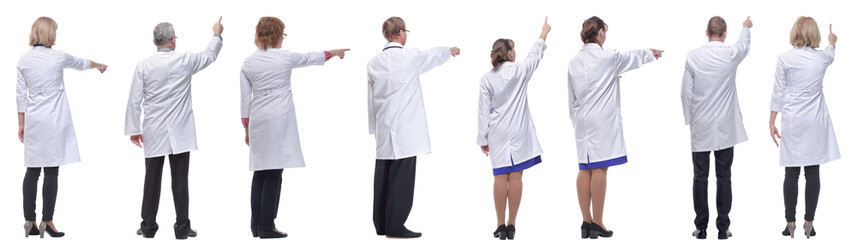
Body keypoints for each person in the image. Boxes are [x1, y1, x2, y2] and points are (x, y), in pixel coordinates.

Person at [239, 16, 349, 239]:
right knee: (274, 172)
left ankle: (256, 225)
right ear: (276, 35)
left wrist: (246, 127)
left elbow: (244, 100)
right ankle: (267, 226)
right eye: (282, 34)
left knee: (260, 172)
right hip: (278, 117)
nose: (283, 38)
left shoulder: (248, 63)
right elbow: (311, 57)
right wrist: (335, 52)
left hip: (258, 118)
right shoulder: (284, 58)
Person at [124, 17, 224, 239]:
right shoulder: (185, 61)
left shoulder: (143, 66)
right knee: (180, 181)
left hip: (154, 131)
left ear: (154, 41)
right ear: (172, 40)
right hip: (180, 131)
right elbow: (210, 55)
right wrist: (216, 34)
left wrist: (133, 128)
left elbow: (134, 100)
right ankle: (182, 227)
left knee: (151, 180)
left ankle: (148, 227)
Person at [567, 16, 662, 239]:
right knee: (600, 168)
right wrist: (651, 52)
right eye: (605, 32)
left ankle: (585, 222)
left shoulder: (573, 61)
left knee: (584, 168)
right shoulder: (609, 57)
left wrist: (575, 121)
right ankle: (597, 222)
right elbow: (633, 57)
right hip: (602, 121)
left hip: (582, 121)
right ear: (600, 33)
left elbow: (570, 96)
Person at [367, 16, 460, 239]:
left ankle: (382, 225)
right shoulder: (409, 57)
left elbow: (370, 98)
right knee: (401, 180)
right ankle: (396, 227)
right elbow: (433, 55)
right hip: (406, 130)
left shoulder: (373, 62)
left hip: (384, 127)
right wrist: (451, 50)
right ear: (400, 33)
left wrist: (374, 129)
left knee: (383, 176)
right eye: (405, 31)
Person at [16, 16, 107, 239]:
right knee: (52, 171)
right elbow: (82, 63)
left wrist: (21, 124)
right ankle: (48, 220)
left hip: (35, 122)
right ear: (50, 34)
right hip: (54, 121)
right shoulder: (58, 57)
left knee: (32, 170)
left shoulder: (23, 60)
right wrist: (99, 65)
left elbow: (20, 96)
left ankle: (29, 221)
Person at [477, 17, 550, 240]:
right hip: (519, 131)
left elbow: (483, 112)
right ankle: (511, 225)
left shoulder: (486, 79)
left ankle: (500, 225)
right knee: (516, 176)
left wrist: (483, 138)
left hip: (497, 131)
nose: (515, 53)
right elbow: (535, 56)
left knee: (500, 177)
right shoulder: (520, 71)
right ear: (508, 53)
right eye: (513, 49)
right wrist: (543, 33)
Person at [681, 16, 753, 240]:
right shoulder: (731, 54)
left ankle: (701, 228)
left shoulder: (693, 56)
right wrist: (746, 27)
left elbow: (685, 93)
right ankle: (723, 228)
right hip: (725, 127)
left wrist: (690, 121)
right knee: (724, 176)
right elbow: (744, 45)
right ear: (724, 34)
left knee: (700, 177)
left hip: (701, 125)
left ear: (706, 32)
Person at [769, 17, 839, 239]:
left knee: (791, 171)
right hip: (815, 121)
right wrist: (832, 40)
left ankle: (790, 224)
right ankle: (809, 223)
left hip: (793, 120)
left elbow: (778, 92)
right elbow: (830, 53)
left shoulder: (784, 59)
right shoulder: (821, 59)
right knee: (812, 172)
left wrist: (771, 121)